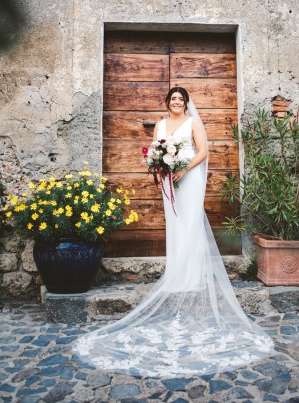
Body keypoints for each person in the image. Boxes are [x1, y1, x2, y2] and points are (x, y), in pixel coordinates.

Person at [73, 86, 274, 377]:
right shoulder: (161, 124)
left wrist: (183, 168)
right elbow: (156, 151)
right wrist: (159, 170)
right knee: (176, 224)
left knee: (190, 220)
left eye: (181, 99)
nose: (177, 102)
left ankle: (192, 274)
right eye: (173, 99)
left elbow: (203, 152)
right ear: (168, 103)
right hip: (169, 182)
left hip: (188, 179)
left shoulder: (193, 123)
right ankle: (177, 270)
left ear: (186, 103)